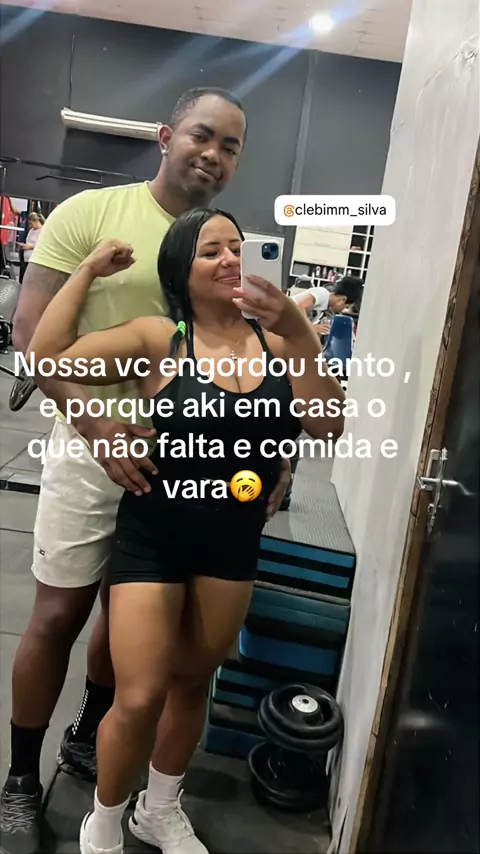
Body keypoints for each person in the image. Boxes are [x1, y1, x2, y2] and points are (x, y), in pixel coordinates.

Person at [0, 87, 290, 854]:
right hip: (94, 446)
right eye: (202, 135)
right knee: (57, 615)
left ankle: (89, 739)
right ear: (166, 136)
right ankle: (21, 781)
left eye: (230, 145)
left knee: (128, 627)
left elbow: (261, 364)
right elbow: (31, 334)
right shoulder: (89, 215)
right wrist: (97, 427)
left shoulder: (224, 245)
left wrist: (275, 453)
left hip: (185, 467)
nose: (214, 154)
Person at [26, 208, 345, 854]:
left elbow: (328, 422)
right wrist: (86, 272)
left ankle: (159, 809)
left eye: (237, 247)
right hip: (154, 536)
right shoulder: (160, 337)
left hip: (232, 542)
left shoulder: (281, 341)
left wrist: (297, 331)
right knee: (139, 696)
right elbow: (46, 359)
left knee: (193, 683)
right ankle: (104, 823)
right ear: (181, 268)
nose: (230, 259)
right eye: (211, 251)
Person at [292, 275, 363, 337]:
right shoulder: (323, 293)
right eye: (346, 306)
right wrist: (311, 327)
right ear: (343, 299)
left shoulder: (326, 310)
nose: (342, 310)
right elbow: (300, 307)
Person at [17, 212, 43, 282]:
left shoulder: (43, 231)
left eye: (31, 223)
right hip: (26, 259)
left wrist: (30, 247)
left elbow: (42, 246)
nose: (30, 225)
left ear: (36, 221)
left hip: (34, 260)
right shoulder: (31, 230)